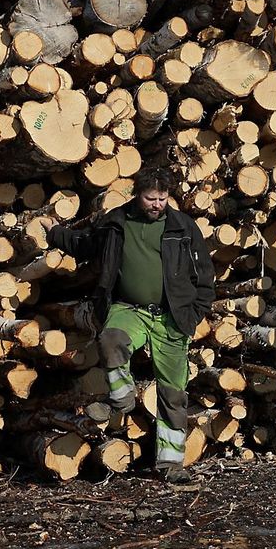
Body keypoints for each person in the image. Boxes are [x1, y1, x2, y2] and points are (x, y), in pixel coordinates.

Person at [41, 167, 216, 484]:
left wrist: (195, 312)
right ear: (137, 195)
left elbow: (204, 273)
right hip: (129, 309)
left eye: (162, 198)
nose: (157, 204)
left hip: (172, 317)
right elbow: (86, 245)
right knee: (111, 339)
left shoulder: (183, 227)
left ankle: (171, 464)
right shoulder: (117, 222)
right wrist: (55, 234)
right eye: (150, 198)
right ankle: (122, 397)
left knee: (173, 392)